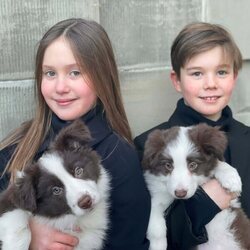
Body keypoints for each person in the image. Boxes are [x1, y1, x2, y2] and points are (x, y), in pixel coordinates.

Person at [0, 18, 150, 250]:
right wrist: (29, 237)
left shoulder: (119, 157)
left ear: (103, 77)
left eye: (75, 72)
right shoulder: (17, 147)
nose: (60, 87)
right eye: (50, 73)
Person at [134, 22, 250, 249]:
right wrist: (205, 203)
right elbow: (143, 233)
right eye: (197, 73)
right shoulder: (146, 146)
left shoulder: (247, 140)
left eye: (222, 72)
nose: (211, 84)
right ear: (177, 80)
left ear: (234, 77)